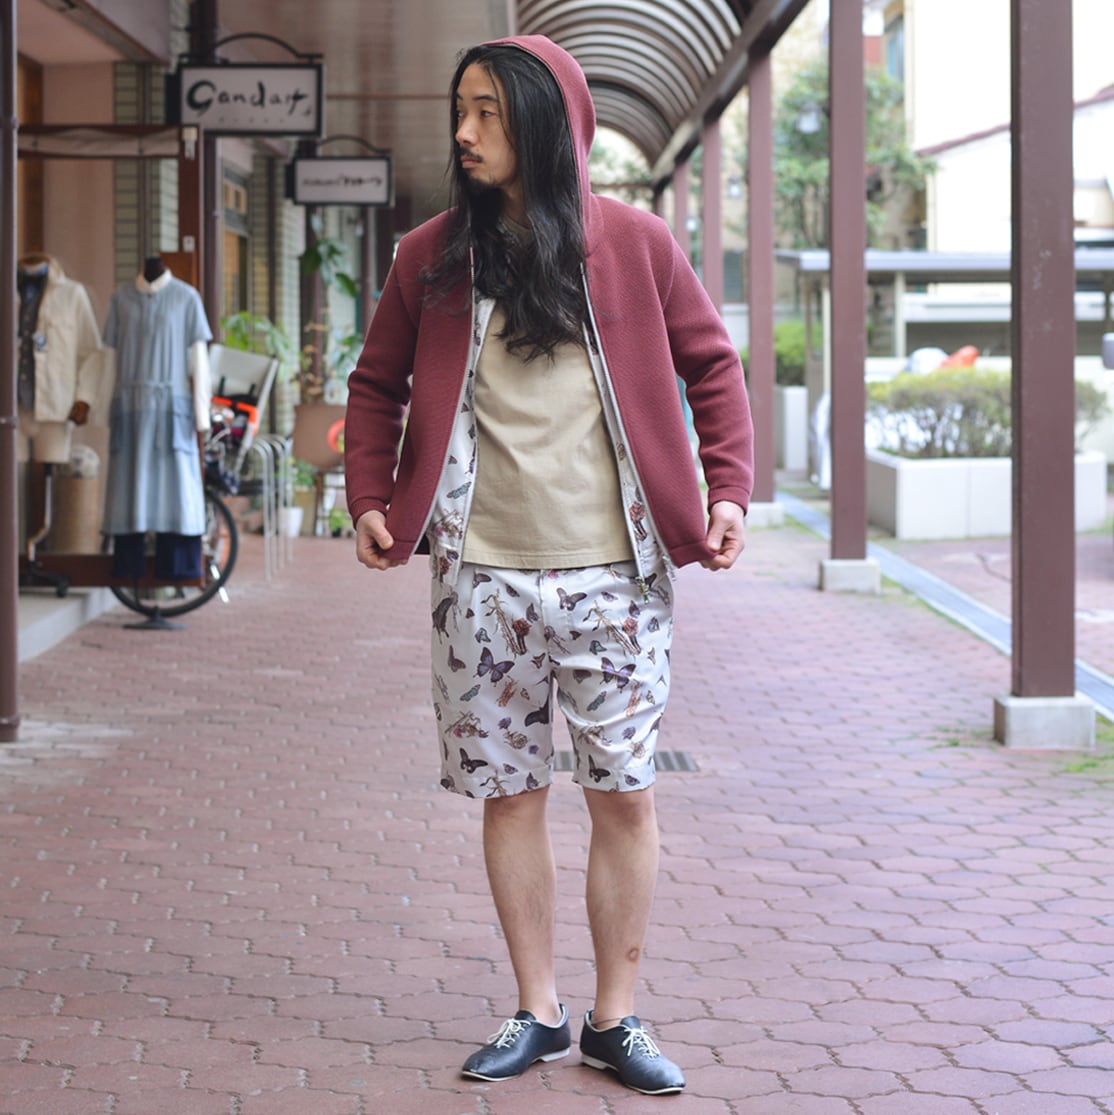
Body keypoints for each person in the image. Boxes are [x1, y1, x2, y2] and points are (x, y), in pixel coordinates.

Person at [344, 35, 753, 1096]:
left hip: (616, 579)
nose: (463, 131)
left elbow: (712, 366)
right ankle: (537, 1007)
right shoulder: (430, 256)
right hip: (478, 581)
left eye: (486, 111)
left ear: (543, 123)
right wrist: (371, 497)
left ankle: (616, 1017)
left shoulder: (636, 244)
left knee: (624, 795)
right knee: (509, 795)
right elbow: (376, 383)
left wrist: (726, 486)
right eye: (460, 109)